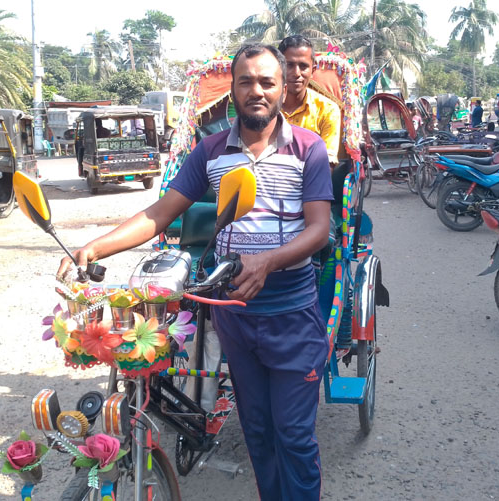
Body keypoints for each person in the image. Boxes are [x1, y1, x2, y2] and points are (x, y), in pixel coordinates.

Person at [57, 44, 332, 500]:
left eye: (267, 82)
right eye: (246, 81)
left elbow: (319, 228)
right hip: (234, 314)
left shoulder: (309, 148)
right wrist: (95, 245)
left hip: (292, 313)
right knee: (259, 433)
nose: (257, 91)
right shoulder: (209, 151)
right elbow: (161, 212)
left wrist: (269, 261)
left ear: (283, 89)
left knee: (295, 438)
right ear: (233, 91)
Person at [278, 35, 341, 165]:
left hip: (312, 180)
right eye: (289, 65)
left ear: (312, 71)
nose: (296, 73)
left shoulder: (327, 109)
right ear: (278, 68)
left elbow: (327, 164)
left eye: (303, 66)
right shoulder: (265, 107)